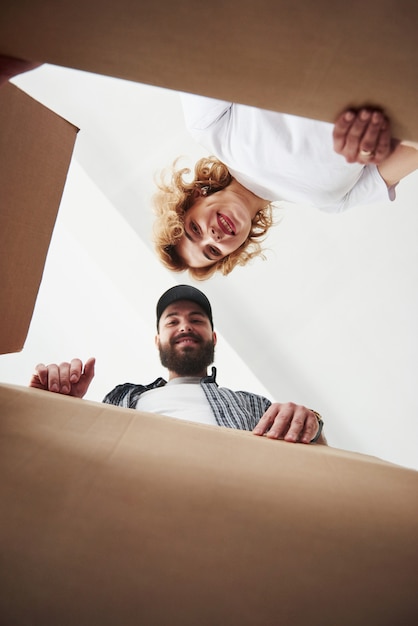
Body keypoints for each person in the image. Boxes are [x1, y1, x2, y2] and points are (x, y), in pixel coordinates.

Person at [154, 93, 418, 280]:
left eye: (195, 229)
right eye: (212, 251)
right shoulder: (334, 202)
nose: (213, 236)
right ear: (234, 251)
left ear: (196, 198)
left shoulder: (208, 127)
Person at [29, 285, 327, 445]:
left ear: (213, 338)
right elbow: (86, 453)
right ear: (158, 341)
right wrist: (58, 409)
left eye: (196, 319)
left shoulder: (254, 405)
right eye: (173, 321)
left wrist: (312, 423)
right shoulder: (122, 399)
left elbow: (317, 462)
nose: (185, 326)